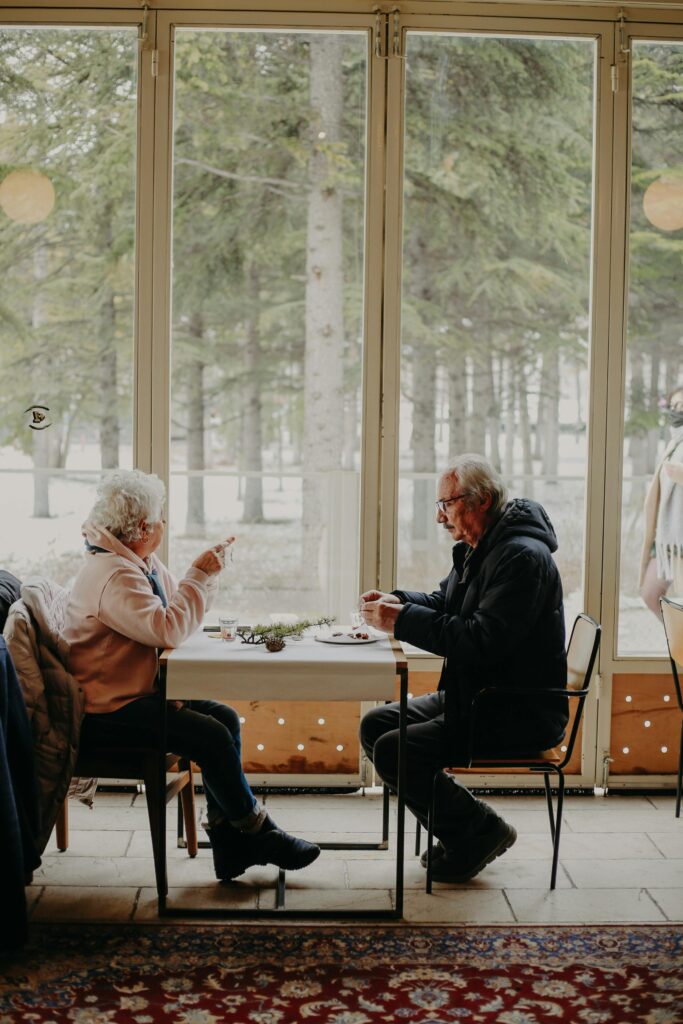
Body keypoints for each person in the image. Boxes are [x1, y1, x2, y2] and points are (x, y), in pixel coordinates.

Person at [64, 468, 320, 881]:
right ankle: (257, 831)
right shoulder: (113, 574)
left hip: (133, 695)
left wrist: (207, 572)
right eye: (161, 516)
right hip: (107, 712)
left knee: (221, 717)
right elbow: (167, 627)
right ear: (144, 527)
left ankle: (230, 844)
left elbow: (179, 614)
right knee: (211, 736)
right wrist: (198, 576)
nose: (164, 523)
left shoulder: (135, 561)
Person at [359, 454, 567, 883]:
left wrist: (399, 621)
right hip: (478, 695)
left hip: (515, 710)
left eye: (446, 504)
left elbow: (478, 641)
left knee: (393, 750)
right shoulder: (485, 546)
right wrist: (397, 601)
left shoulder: (520, 559)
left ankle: (478, 832)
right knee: (376, 726)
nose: (440, 517)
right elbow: (447, 604)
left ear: (482, 500)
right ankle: (467, 828)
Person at [639, 386, 683, 619]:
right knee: (650, 593)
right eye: (674, 406)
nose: (678, 412)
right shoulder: (674, 444)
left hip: (679, 538)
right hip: (668, 538)